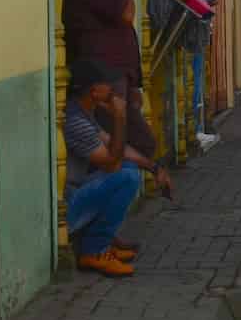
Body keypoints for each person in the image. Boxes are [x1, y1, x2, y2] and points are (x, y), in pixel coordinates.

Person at [62, 58, 173, 277]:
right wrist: (120, 116)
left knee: (130, 168)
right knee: (127, 176)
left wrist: (154, 167)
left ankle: (99, 242)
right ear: (93, 90)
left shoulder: (83, 112)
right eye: (106, 85)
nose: (112, 90)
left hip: (78, 194)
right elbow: (112, 161)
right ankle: (95, 250)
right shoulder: (74, 120)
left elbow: (118, 149)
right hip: (68, 210)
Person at [61, 0, 159, 164]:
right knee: (137, 142)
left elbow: (127, 15)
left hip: (115, 74)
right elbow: (125, 16)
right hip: (103, 74)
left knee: (131, 139)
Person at [189, 0, 225, 150]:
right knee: (198, 73)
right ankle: (198, 130)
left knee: (189, 72)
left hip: (183, 14)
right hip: (198, 17)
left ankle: (193, 127)